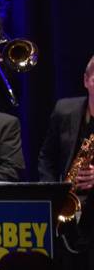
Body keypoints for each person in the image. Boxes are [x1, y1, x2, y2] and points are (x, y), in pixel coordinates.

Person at [38, 55, 94, 238]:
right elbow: (47, 157)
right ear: (86, 81)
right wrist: (53, 193)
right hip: (67, 199)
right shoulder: (64, 109)